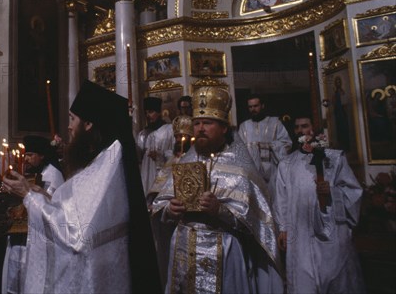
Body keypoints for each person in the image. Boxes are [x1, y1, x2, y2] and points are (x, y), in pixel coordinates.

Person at [3, 80, 161, 293]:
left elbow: (76, 237)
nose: (68, 126)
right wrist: (42, 195)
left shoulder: (109, 165)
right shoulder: (103, 160)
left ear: (88, 124)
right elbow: (78, 210)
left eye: (72, 119)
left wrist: (29, 197)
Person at [152, 86, 283, 294]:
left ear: (224, 128)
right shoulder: (186, 161)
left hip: (225, 252)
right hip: (184, 251)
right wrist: (170, 210)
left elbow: (257, 224)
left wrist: (220, 211)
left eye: (207, 123)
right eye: (196, 123)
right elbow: (159, 207)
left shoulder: (241, 169)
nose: (200, 128)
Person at [274, 115, 365, 294]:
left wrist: (331, 191)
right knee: (303, 278)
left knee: (335, 275)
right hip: (299, 232)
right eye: (297, 127)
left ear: (313, 129)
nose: (301, 130)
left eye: (305, 126)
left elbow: (354, 191)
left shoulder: (334, 158)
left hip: (332, 231)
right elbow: (281, 198)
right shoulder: (286, 164)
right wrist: (283, 228)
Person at [1, 135, 64, 294]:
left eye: (30, 155)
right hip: (19, 234)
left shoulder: (53, 174)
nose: (26, 159)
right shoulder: (25, 173)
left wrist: (33, 193)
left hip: (37, 236)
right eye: (25, 155)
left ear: (42, 155)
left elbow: (53, 206)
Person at [147, 114, 194, 287]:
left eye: (184, 137)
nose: (180, 140)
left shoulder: (197, 160)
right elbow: (159, 186)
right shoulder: (172, 160)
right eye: (176, 137)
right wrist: (155, 202)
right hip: (170, 223)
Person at [238, 94, 291, 200]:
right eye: (250, 107)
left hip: (272, 172)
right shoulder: (244, 126)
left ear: (262, 106)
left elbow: (286, 143)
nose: (253, 109)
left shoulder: (275, 123)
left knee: (274, 200)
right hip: (252, 173)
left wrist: (267, 146)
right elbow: (239, 150)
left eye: (256, 106)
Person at [137, 96, 174, 195]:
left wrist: (159, 156)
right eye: (146, 113)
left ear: (159, 112)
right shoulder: (143, 133)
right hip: (146, 173)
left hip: (163, 172)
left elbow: (175, 154)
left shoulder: (169, 130)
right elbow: (138, 156)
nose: (148, 116)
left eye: (151, 112)